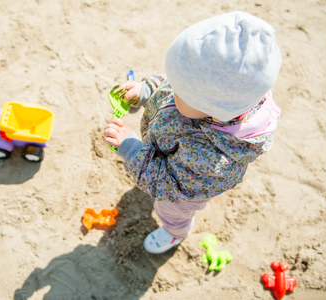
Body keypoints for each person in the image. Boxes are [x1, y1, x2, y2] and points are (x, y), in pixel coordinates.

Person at [103, 11, 282, 254]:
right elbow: (169, 86)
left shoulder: (212, 158)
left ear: (215, 111)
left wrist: (132, 149)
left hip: (181, 192)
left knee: (169, 210)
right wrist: (147, 90)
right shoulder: (208, 99)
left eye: (178, 89)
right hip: (168, 155)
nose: (171, 86)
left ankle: (175, 232)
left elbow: (168, 183)